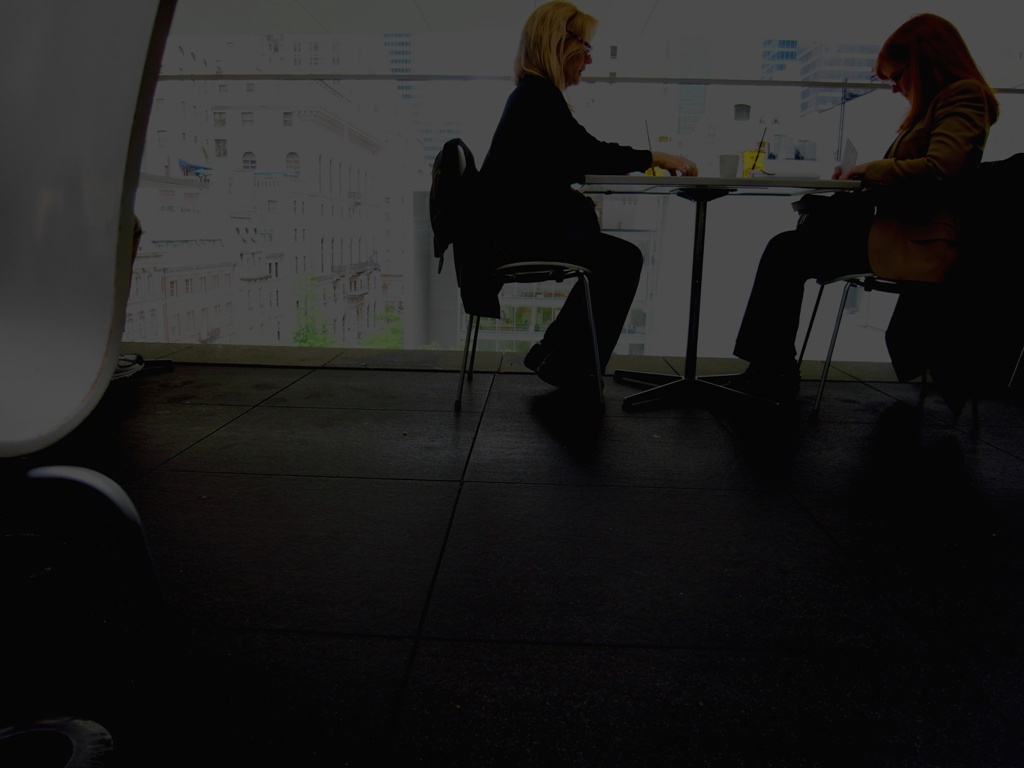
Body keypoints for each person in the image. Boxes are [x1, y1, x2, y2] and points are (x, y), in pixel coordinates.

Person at [724, 13, 999, 404]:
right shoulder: (939, 105)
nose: (894, 87)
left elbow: (941, 168)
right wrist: (865, 177)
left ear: (924, 62)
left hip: (918, 240)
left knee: (786, 251)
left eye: (897, 76)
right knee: (788, 248)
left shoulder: (964, 95)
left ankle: (772, 370)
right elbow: (922, 172)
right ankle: (772, 368)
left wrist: (872, 169)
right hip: (901, 231)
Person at [477, 1, 698, 389]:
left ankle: (554, 354)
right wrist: (655, 157)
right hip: (514, 237)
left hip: (506, 232)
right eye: (587, 47)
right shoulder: (537, 95)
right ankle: (566, 365)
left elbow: (572, 157)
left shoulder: (533, 94)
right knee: (622, 259)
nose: (589, 60)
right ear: (560, 43)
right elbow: (587, 154)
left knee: (610, 258)